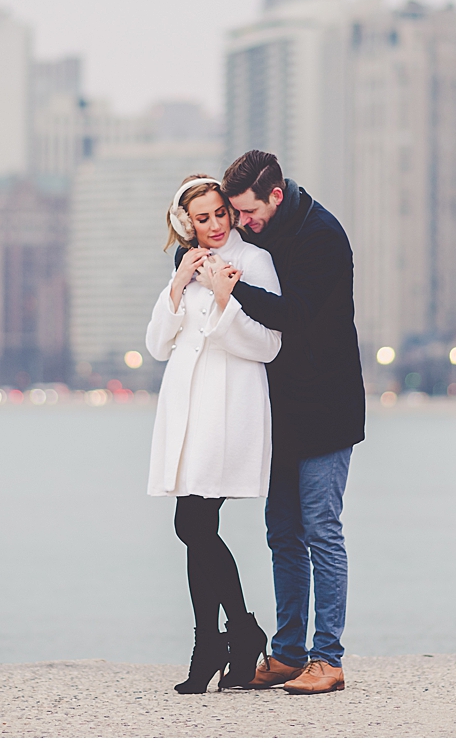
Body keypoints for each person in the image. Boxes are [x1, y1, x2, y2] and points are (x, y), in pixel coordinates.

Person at [220, 150, 364, 696]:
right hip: (279, 408)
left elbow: (294, 313)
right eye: (237, 214)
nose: (242, 223)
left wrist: (233, 290)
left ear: (275, 196)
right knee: (282, 532)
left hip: (327, 405)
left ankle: (328, 659)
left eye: (248, 213)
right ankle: (287, 654)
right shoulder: (258, 232)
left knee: (321, 530)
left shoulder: (323, 236)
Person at [145, 174, 283, 694]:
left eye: (220, 214)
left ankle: (228, 639)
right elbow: (159, 344)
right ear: (187, 223)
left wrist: (227, 301)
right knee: (193, 526)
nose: (214, 226)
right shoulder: (186, 265)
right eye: (201, 219)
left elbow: (268, 345)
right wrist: (179, 286)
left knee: (193, 523)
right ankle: (225, 640)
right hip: (186, 407)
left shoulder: (255, 262)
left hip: (230, 406)